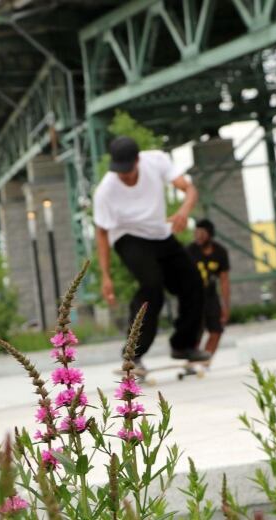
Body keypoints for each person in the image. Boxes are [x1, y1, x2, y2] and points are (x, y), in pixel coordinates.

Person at [94, 136, 209, 367]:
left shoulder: (156, 161)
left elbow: (189, 189)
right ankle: (133, 354)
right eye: (120, 171)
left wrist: (184, 212)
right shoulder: (105, 191)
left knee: (194, 282)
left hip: (159, 233)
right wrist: (106, 276)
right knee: (152, 285)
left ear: (138, 160)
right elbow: (102, 233)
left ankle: (183, 345)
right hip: (127, 237)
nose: (124, 176)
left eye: (128, 170)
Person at [187, 219, 230, 360]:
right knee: (195, 332)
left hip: (211, 297)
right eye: (196, 232)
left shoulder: (220, 252)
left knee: (216, 330)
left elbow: (224, 281)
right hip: (193, 297)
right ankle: (192, 359)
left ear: (210, 234)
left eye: (201, 233)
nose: (198, 236)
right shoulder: (190, 250)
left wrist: (226, 306)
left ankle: (205, 361)